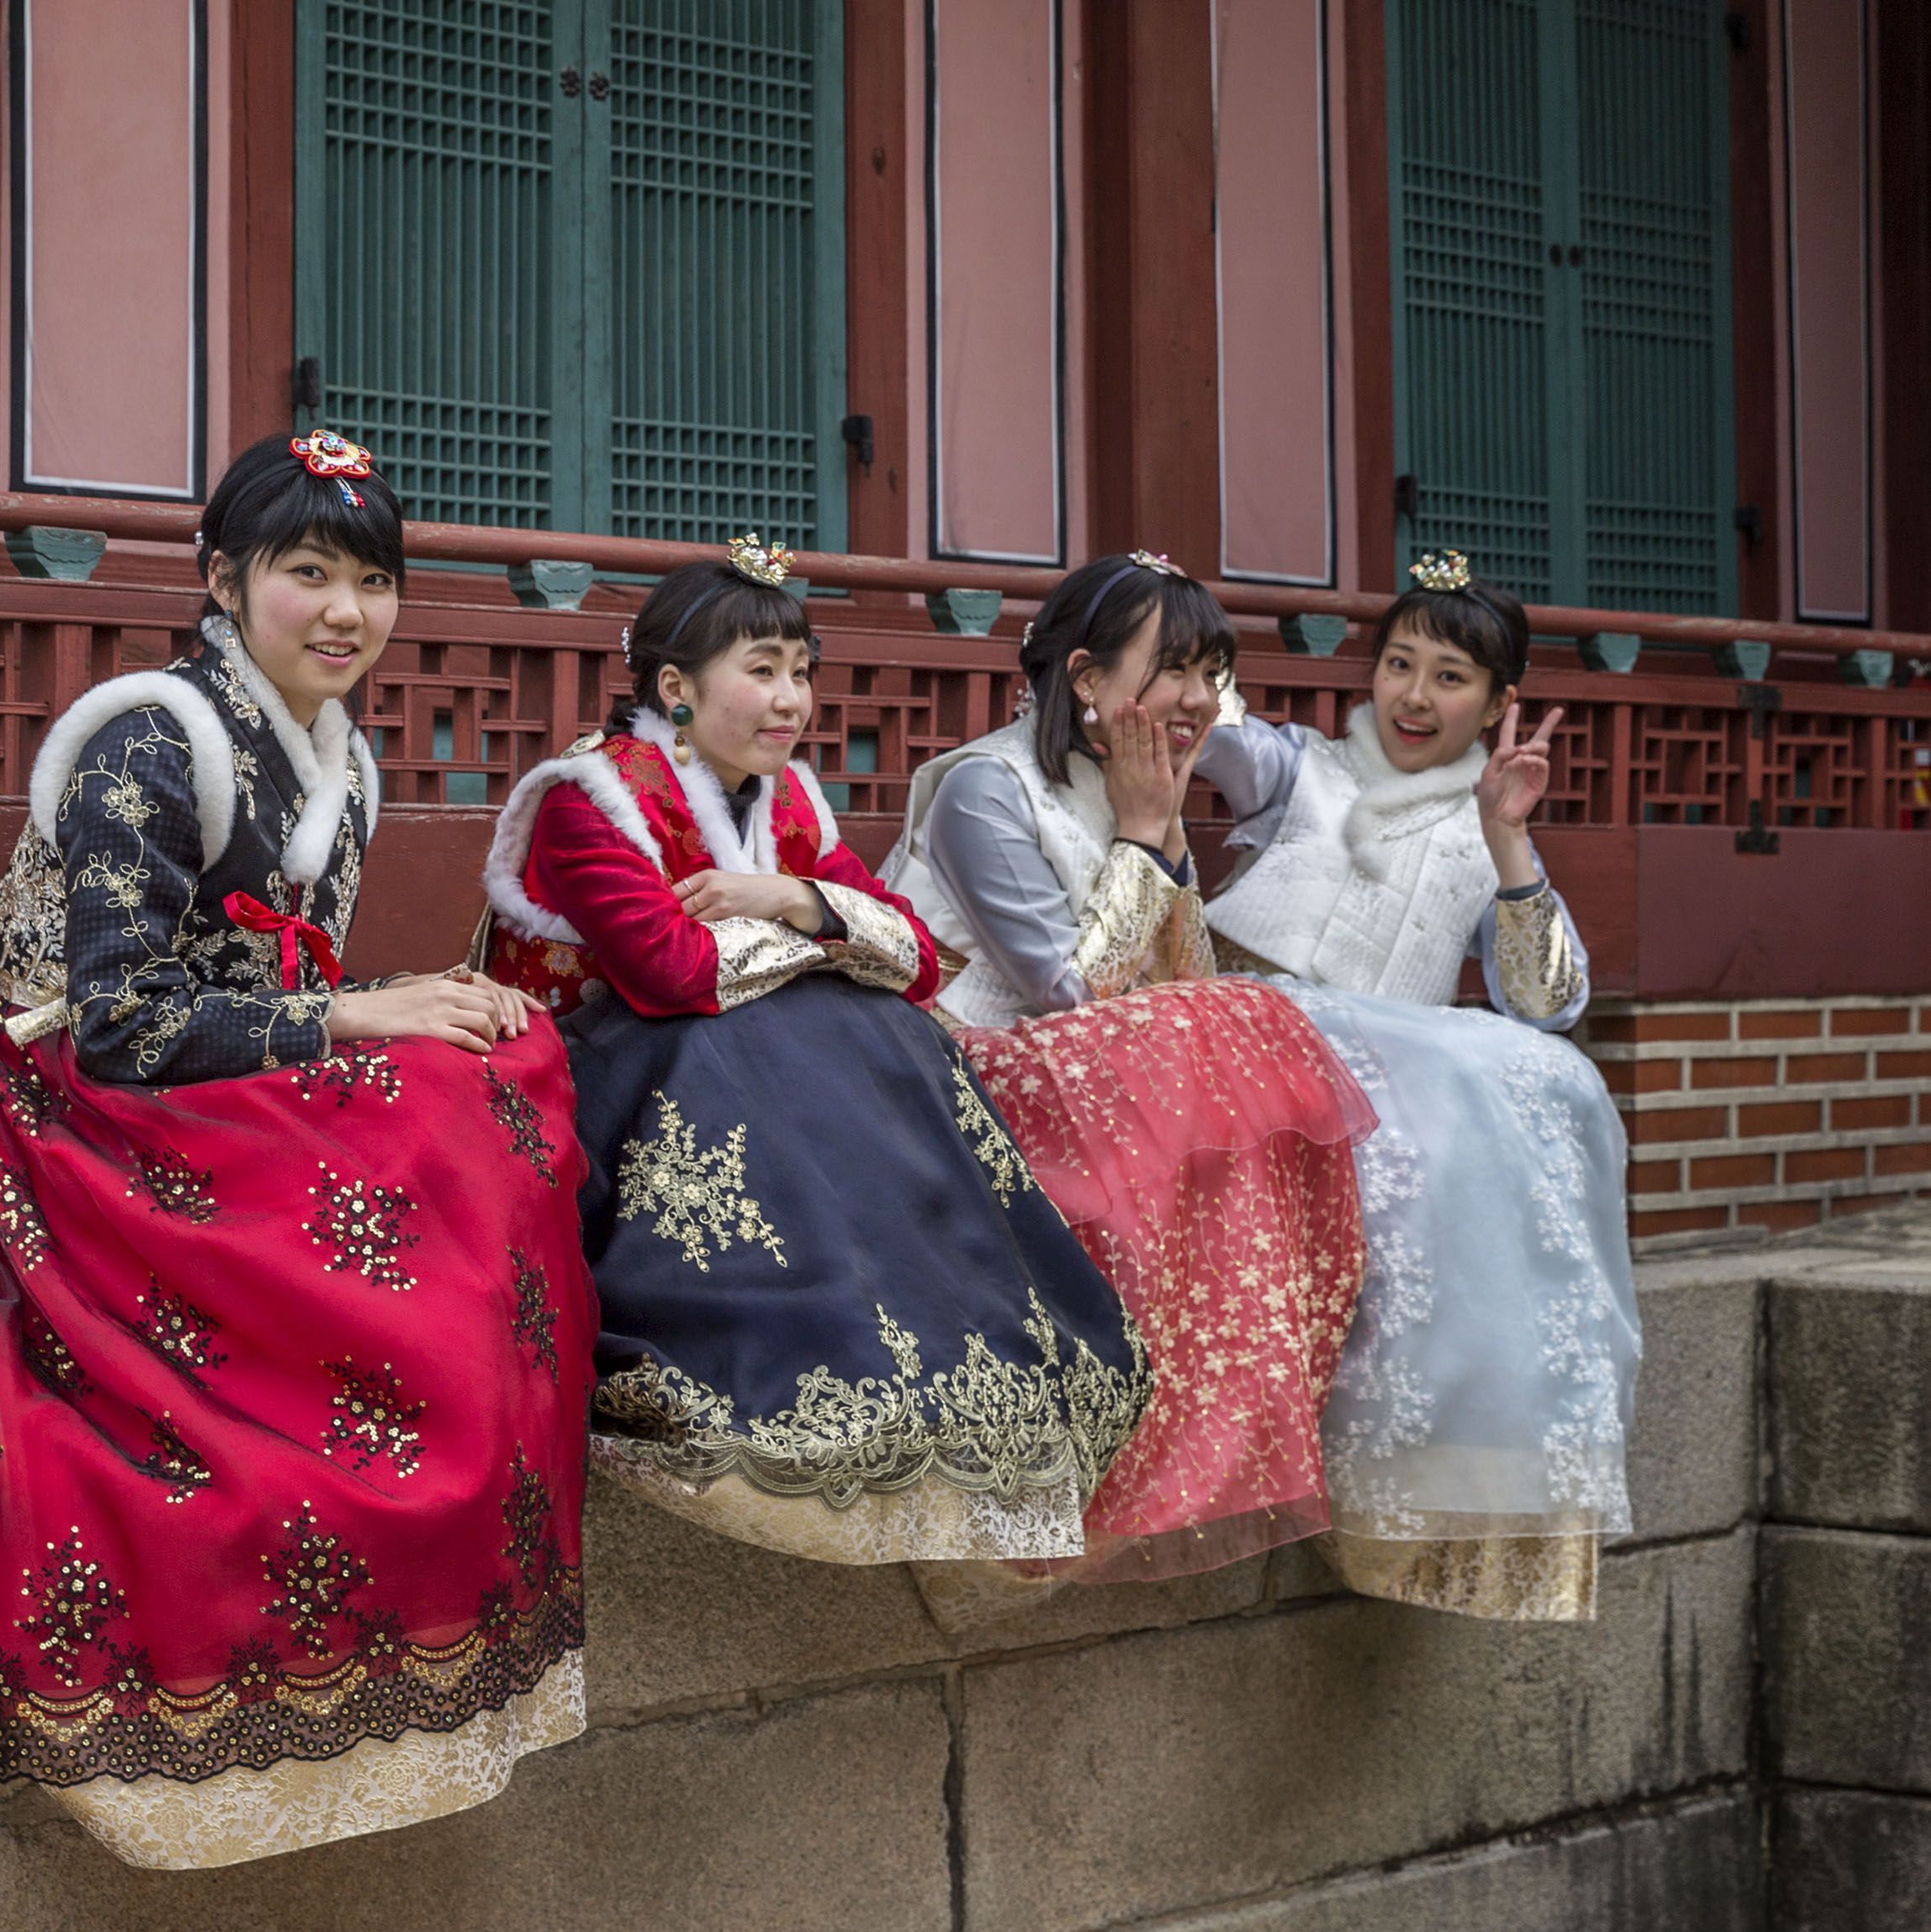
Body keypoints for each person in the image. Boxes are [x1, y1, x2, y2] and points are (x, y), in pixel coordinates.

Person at [0, 431, 597, 1869]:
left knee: (505, 1068)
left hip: (219, 1078)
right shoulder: (151, 735)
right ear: (224, 577)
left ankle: (459, 1445)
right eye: (308, 573)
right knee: (423, 1112)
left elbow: (297, 1000)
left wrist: (407, 1016)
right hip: (64, 1096)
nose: (346, 611)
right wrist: (362, 1014)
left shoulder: (339, 762)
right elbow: (113, 1021)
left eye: (372, 578)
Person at [481, 537, 1150, 1567]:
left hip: (742, 1059)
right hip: (607, 1075)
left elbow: (918, 961)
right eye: (761, 670)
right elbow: (667, 972)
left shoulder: (787, 800)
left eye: (800, 670)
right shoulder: (590, 798)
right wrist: (828, 939)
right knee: (819, 1029)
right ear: (675, 685)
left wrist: (791, 896)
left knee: (882, 1033)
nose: (790, 698)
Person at [884, 551, 1378, 1581]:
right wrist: (1148, 836)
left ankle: (1224, 1423)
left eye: (1211, 673)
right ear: (1084, 678)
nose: (1200, 701)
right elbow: (1068, 993)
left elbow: (1181, 976)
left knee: (1241, 1021)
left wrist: (1155, 833)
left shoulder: (1137, 776)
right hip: (963, 1061)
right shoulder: (984, 788)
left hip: (1093, 1067)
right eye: (1173, 671)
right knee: (1211, 1031)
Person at [1194, 549, 1638, 1620]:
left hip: (1393, 1062)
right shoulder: (1300, 765)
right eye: (1398, 664)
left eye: (1448, 677)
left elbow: (1547, 1001)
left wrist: (1508, 838)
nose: (1413, 695)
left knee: (1543, 1072)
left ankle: (1453, 1485)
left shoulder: (1491, 826)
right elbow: (1201, 724)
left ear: (1496, 701)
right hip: (1258, 1024)